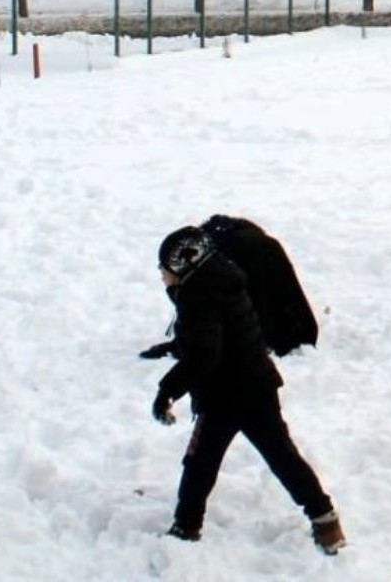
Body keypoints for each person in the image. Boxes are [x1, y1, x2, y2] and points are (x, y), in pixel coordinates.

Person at [150, 226, 345, 554]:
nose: (161, 275)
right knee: (282, 456)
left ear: (185, 265)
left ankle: (185, 528)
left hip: (225, 394)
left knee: (199, 463)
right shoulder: (221, 279)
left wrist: (166, 390)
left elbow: (203, 355)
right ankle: (326, 520)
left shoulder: (200, 297)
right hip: (258, 384)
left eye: (164, 268)